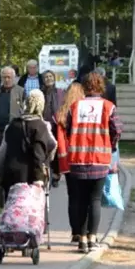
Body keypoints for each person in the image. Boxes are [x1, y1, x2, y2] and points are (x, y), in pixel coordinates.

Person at [65, 72, 122, 253]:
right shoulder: (108, 107)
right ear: (101, 87)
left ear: (85, 87)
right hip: (100, 159)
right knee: (95, 199)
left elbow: (68, 129)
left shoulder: (75, 107)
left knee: (81, 199)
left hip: (77, 159)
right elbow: (117, 130)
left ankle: (81, 238)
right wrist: (110, 145)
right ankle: (92, 237)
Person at [0, 89, 57, 197]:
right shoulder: (41, 126)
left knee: (13, 209)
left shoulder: (12, 125)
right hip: (32, 177)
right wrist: (45, 166)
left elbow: (3, 152)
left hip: (11, 175)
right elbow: (47, 148)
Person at [54, 82, 85, 243]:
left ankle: (75, 231)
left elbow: (59, 139)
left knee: (72, 197)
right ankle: (84, 230)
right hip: (83, 157)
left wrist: (61, 161)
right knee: (84, 196)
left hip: (67, 160)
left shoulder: (61, 113)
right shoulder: (83, 112)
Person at [41, 70, 62, 185]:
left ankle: (56, 175)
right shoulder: (40, 92)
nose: (48, 78)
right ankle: (45, 174)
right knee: (44, 150)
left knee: (56, 150)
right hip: (43, 126)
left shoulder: (60, 92)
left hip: (56, 126)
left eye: (50, 76)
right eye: (46, 77)